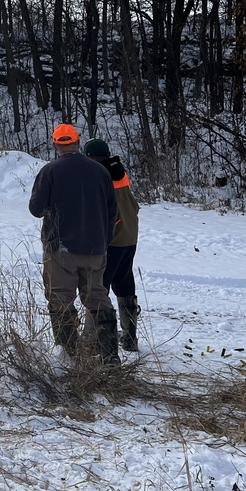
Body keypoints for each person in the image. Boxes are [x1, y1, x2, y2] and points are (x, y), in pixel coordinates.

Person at [28, 123, 120, 365]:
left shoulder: (50, 171)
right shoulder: (101, 171)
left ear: (54, 144)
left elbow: (36, 209)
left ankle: (68, 357)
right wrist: (104, 239)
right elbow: (113, 210)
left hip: (60, 248)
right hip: (96, 247)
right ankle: (110, 357)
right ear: (78, 142)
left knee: (60, 299)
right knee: (98, 297)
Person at [83, 138, 142, 352]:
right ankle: (130, 337)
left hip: (112, 239)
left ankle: (90, 339)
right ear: (107, 155)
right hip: (129, 234)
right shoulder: (119, 171)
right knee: (125, 285)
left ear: (88, 157)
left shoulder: (96, 176)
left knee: (98, 289)